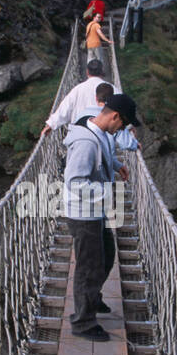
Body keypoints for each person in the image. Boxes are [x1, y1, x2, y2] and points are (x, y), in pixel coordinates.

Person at [63, 92, 137, 340]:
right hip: (83, 213)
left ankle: (92, 299)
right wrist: (107, 191)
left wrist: (115, 165)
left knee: (106, 256)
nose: (122, 130)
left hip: (95, 210)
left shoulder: (96, 127)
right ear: (115, 116)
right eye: (123, 124)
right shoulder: (86, 143)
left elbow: (104, 152)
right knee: (89, 268)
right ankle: (83, 322)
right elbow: (74, 182)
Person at [41, 61, 112, 136]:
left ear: (87, 72)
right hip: (103, 136)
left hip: (79, 135)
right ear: (102, 72)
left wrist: (51, 125)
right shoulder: (112, 89)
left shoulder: (77, 89)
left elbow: (65, 108)